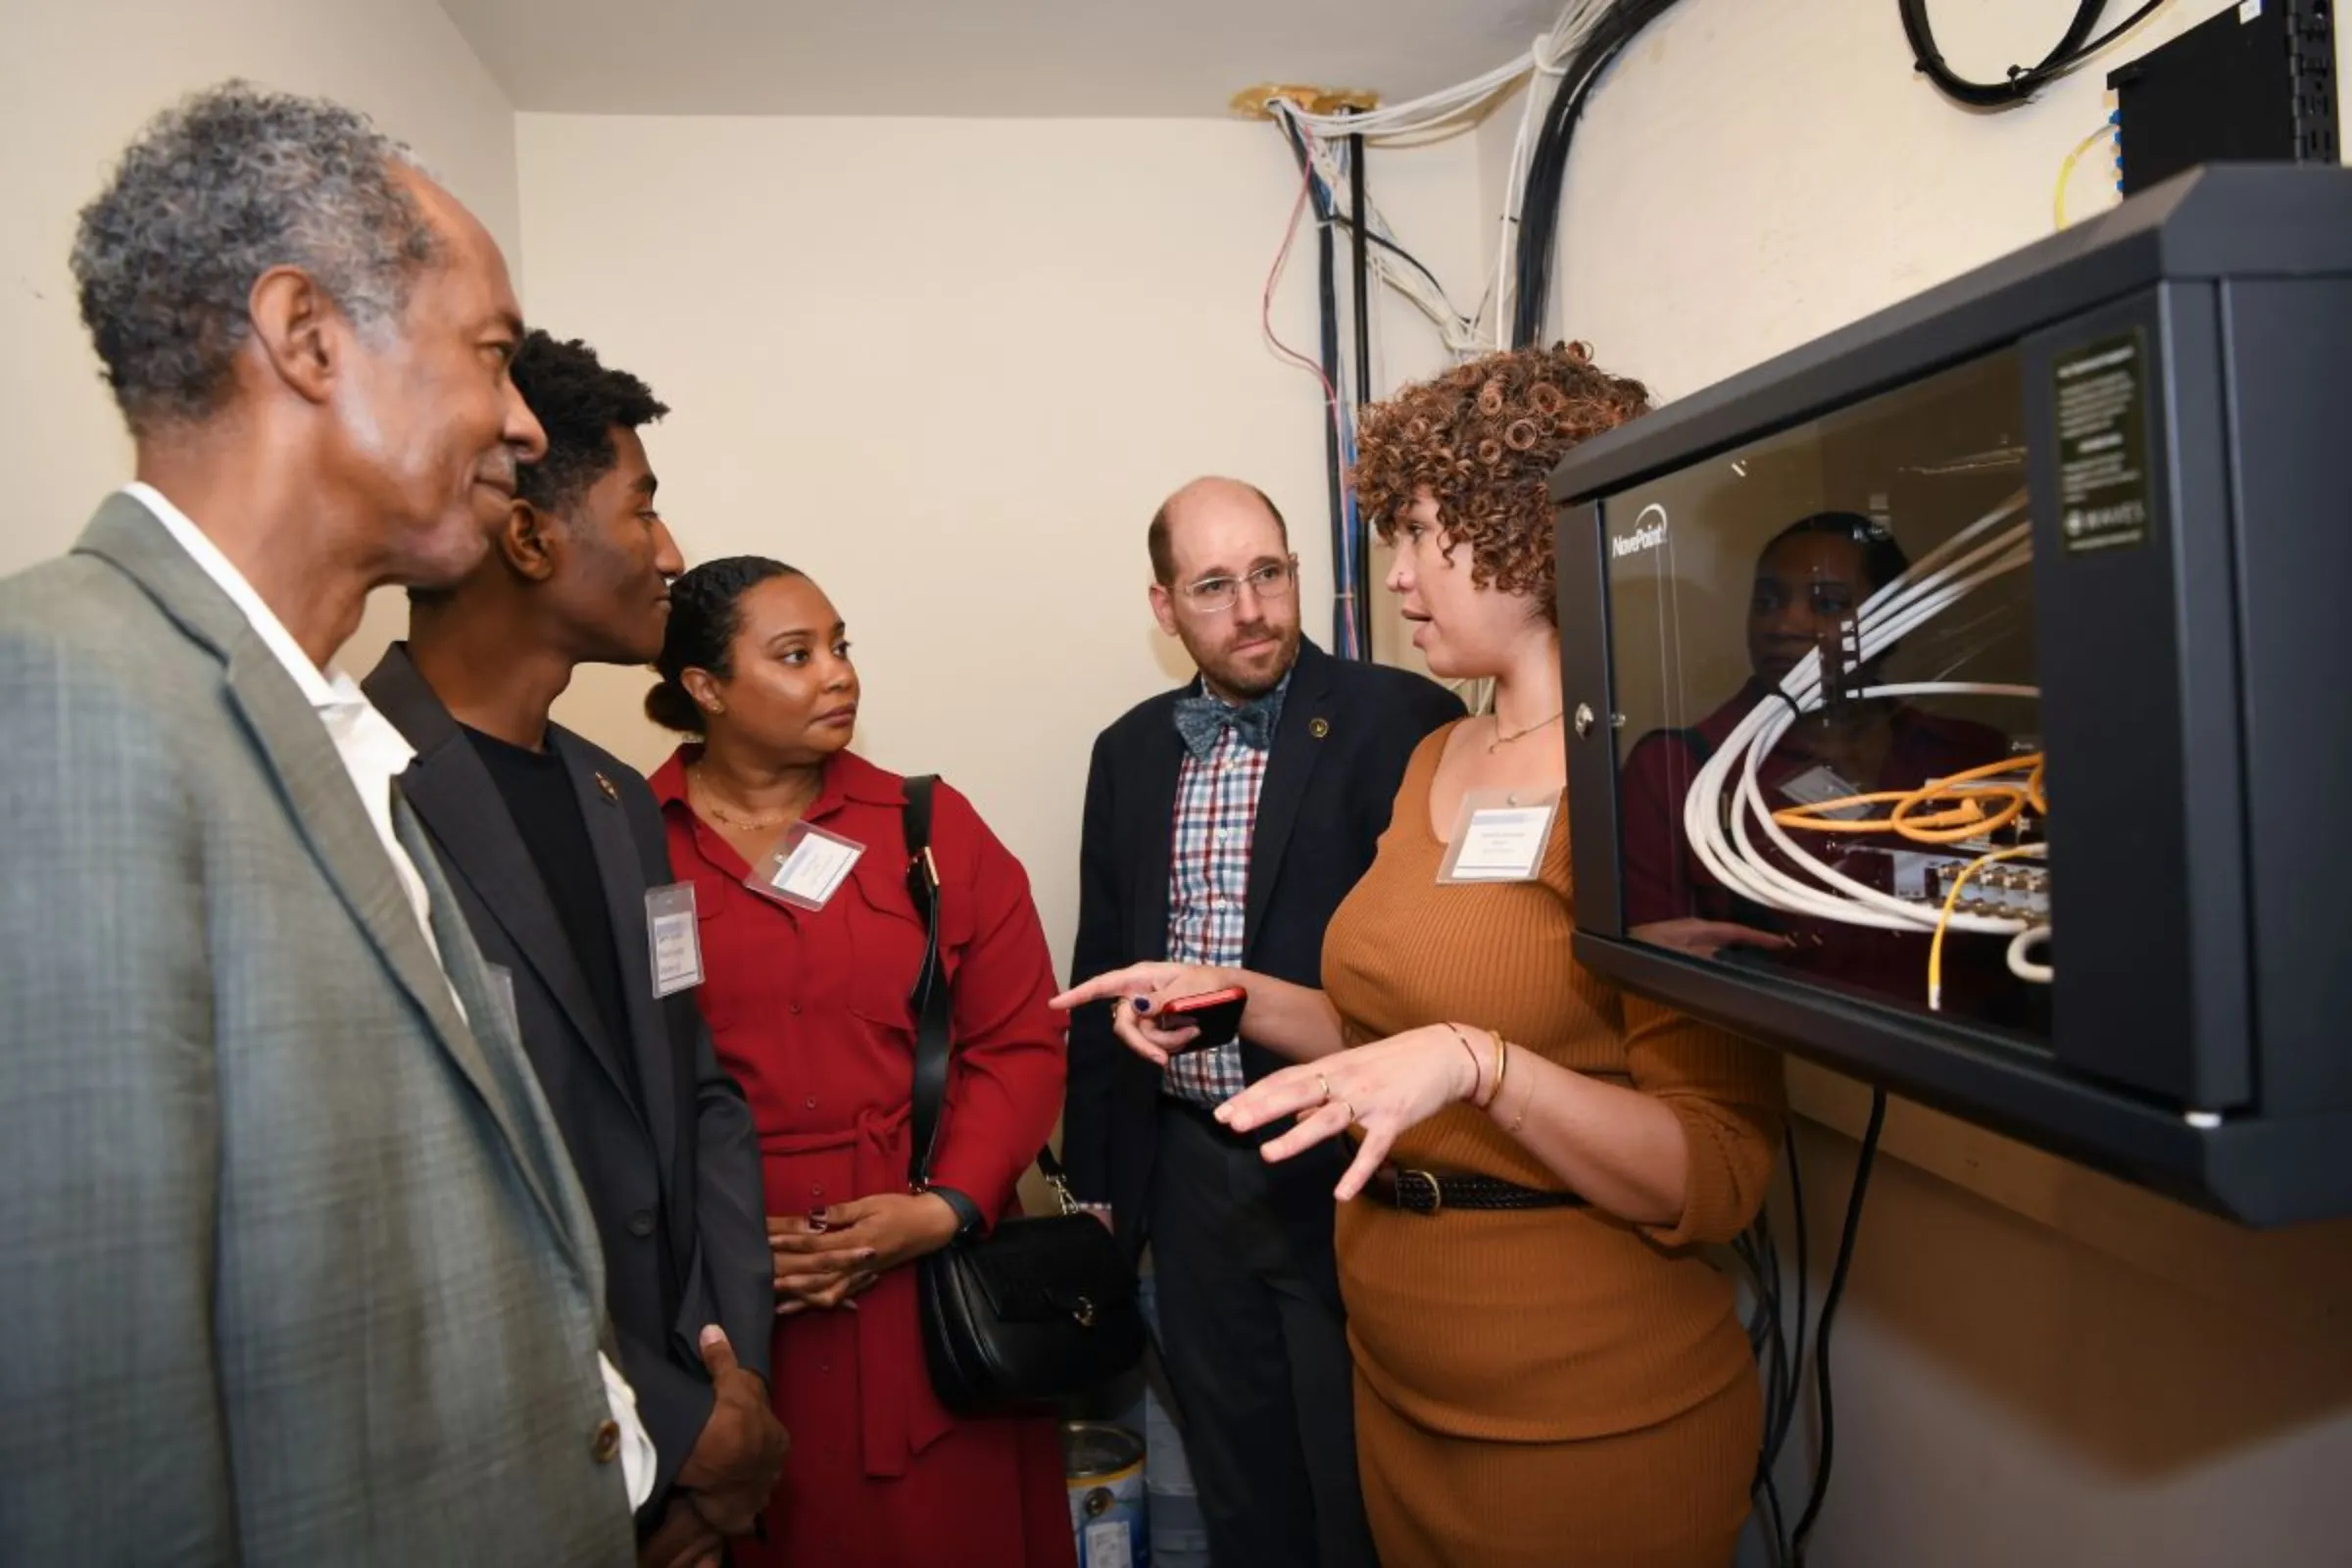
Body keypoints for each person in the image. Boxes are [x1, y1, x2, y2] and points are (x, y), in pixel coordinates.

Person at [0, 83, 644, 1563]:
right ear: (305, 337)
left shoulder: (317, 727)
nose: (523, 417)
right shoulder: (63, 697)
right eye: (491, 356)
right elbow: (93, 1441)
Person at [1057, 344, 1788, 1568]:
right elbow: (1388, 1041)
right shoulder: (1435, 760)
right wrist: (1229, 997)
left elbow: (1714, 1171)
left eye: (1420, 535)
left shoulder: (1645, 778)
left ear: (1528, 532)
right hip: (1404, 1387)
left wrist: (1480, 1062)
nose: (1391, 577)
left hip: (1581, 1410)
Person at [362, 331, 788, 1568]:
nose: (669, 552)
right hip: (513, 1461)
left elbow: (696, 1096)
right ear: (531, 538)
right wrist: (658, 1425)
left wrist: (730, 1389)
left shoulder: (615, 801)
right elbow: (420, 1199)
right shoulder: (360, 791)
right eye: (643, 506)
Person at [642, 557, 1076, 1568]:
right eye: (797, 655)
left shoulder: (927, 828)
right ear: (705, 688)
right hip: (731, 1299)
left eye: (841, 646)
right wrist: (726, 1245)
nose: (838, 675)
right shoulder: (629, 839)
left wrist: (944, 1207)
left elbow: (1019, 1038)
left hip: (927, 1291)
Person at [1062, 476, 1460, 1565]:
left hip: (1346, 1167)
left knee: (1361, 1485)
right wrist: (1098, 1188)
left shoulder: (1404, 719)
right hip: (1190, 1172)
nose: (1251, 609)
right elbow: (1103, 961)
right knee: (1241, 1484)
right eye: (1213, 586)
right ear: (1164, 607)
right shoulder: (1131, 750)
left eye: (1269, 574)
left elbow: (1446, 962)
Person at [1618, 511, 2020, 1014]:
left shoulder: (1970, 756)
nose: (1784, 625)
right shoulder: (1680, 769)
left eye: (1827, 603)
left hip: (1978, 1065)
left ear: (1894, 623)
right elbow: (1656, 970)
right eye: (1766, 602)